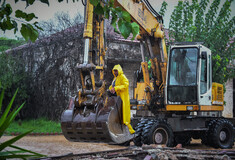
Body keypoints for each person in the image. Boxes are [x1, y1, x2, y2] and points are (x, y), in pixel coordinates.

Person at [109, 64, 135, 134]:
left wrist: (116, 88)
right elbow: (112, 86)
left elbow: (126, 84)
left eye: (116, 71)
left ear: (119, 71)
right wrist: (111, 89)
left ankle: (130, 131)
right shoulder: (115, 78)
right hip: (118, 99)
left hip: (123, 98)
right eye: (114, 71)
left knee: (125, 116)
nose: (115, 72)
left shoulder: (122, 77)